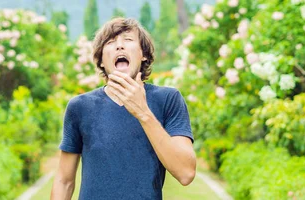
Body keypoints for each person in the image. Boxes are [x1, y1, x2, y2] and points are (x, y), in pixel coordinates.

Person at [50, 18, 196, 200]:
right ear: (101, 60)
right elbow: (64, 181)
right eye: (110, 43)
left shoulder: (168, 99)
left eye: (128, 40)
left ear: (143, 54)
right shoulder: (80, 107)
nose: (119, 46)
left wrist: (143, 112)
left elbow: (186, 173)